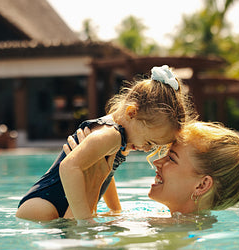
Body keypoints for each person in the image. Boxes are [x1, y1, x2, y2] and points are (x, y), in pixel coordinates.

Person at [16, 65, 192, 221]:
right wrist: (85, 220)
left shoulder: (120, 137)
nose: (146, 149)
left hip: (51, 205)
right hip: (43, 206)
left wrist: (115, 210)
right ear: (131, 113)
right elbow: (68, 167)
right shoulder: (111, 134)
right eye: (149, 141)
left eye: (153, 146)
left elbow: (107, 175)